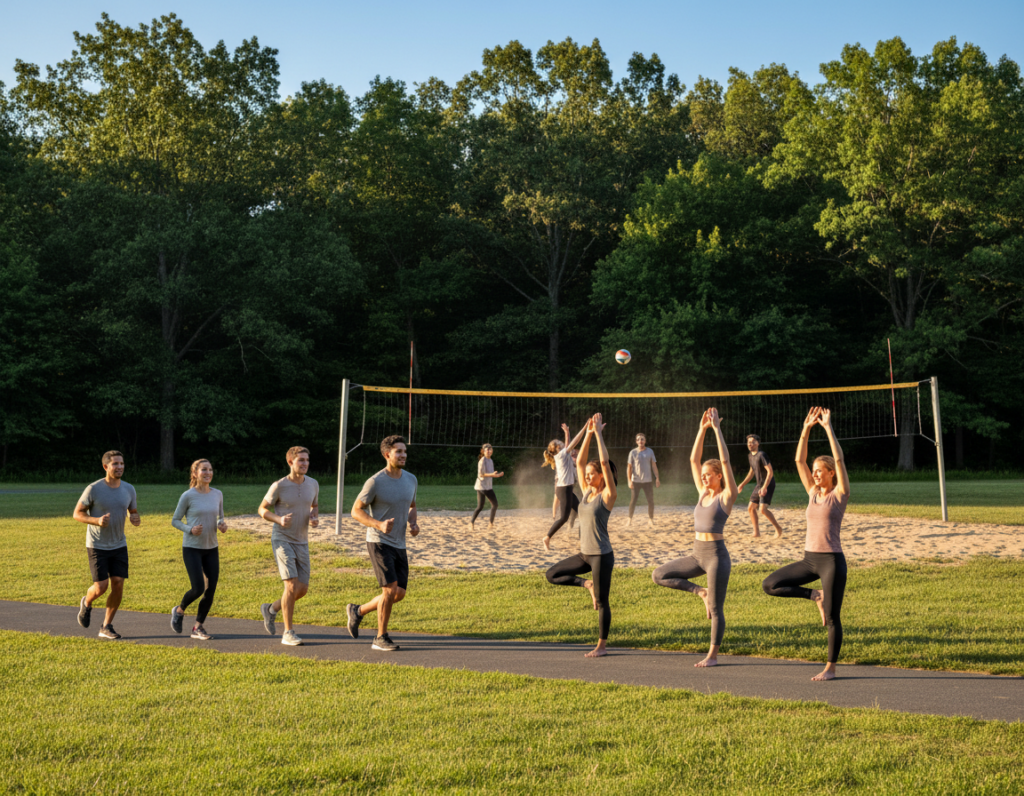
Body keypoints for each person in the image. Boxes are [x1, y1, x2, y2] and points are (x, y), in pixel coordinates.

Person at [762, 407, 850, 682]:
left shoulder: (839, 494)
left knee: (833, 618)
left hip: (831, 562)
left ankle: (830, 668)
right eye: (813, 471)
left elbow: (839, 458)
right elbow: (799, 460)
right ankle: (815, 596)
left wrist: (827, 427)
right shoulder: (812, 492)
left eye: (819, 471)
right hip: (809, 560)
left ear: (831, 474)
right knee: (770, 585)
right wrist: (806, 429)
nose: (814, 474)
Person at [652, 408, 737, 667]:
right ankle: (699, 591)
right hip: (696, 554)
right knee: (659, 575)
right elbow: (693, 460)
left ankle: (712, 655)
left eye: (708, 475)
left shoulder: (726, 496)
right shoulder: (702, 492)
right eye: (702, 476)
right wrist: (701, 429)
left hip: (715, 557)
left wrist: (717, 431)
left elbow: (725, 462)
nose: (703, 477)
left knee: (716, 608)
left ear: (719, 476)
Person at [544, 414, 617, 658]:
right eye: (585, 475)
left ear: (601, 477)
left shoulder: (607, 496)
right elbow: (580, 462)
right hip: (584, 554)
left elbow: (605, 464)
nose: (586, 477)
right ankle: (586, 584)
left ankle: (601, 646)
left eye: (591, 474)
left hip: (601, 555)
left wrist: (598, 435)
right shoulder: (585, 493)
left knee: (602, 601)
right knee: (552, 574)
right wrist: (587, 432)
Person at [347, 435, 419, 652]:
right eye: (399, 451)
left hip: (399, 542)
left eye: (405, 451)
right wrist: (378, 525)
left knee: (399, 594)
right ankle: (380, 637)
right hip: (379, 541)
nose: (403, 455)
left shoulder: (411, 479)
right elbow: (355, 511)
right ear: (387, 454)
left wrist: (413, 523)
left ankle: (358, 611)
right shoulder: (375, 481)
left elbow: (412, 505)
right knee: (389, 590)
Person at [73, 450, 141, 640]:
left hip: (119, 543)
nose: (120, 467)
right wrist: (96, 521)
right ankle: (86, 602)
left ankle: (106, 626)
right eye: (115, 464)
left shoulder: (129, 489)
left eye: (122, 463)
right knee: (101, 587)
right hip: (97, 544)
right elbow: (77, 514)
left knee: (118, 584)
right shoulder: (93, 489)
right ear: (106, 467)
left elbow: (132, 511)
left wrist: (134, 517)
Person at [258, 446, 319, 647]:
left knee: (302, 589)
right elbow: (261, 509)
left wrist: (313, 516)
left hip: (302, 540)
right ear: (290, 462)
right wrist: (278, 519)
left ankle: (271, 609)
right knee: (291, 586)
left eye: (307, 460)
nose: (305, 464)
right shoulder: (279, 486)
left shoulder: (313, 484)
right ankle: (288, 632)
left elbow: (314, 506)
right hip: (282, 539)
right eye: (301, 460)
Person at [170, 459, 227, 640]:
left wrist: (221, 524)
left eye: (210, 469)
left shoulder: (218, 494)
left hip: (211, 547)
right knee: (198, 588)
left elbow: (220, 517)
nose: (208, 473)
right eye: (204, 470)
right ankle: (179, 611)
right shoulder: (188, 495)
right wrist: (190, 530)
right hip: (192, 547)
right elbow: (175, 520)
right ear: (195, 473)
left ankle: (197, 628)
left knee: (211, 590)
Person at [542, 423, 587, 550]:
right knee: (563, 518)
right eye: (559, 443)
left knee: (582, 513)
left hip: (566, 490)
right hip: (564, 490)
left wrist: (567, 432)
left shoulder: (563, 454)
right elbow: (575, 441)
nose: (562, 443)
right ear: (557, 448)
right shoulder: (561, 455)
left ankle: (583, 540)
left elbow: (568, 444)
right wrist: (584, 428)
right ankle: (547, 537)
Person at [737, 434, 784, 538]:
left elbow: (770, 472)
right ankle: (756, 532)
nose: (750, 444)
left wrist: (765, 487)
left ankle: (778, 529)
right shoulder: (750, 456)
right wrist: (742, 484)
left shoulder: (762, 455)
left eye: (753, 442)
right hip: (759, 485)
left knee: (762, 509)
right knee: (751, 508)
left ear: (758, 443)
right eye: (749, 442)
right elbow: (751, 472)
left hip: (768, 484)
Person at [627, 433, 661, 527]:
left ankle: (651, 519)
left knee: (650, 501)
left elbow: (654, 465)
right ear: (636, 441)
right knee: (633, 500)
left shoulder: (650, 451)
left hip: (648, 480)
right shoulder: (633, 452)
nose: (640, 441)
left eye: (642, 439)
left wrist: (657, 478)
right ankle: (629, 520)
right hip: (636, 481)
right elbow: (629, 467)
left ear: (645, 441)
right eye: (638, 439)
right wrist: (629, 480)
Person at [471, 444, 504, 527]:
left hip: (487, 487)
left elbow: (490, 474)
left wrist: (497, 475)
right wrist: (492, 474)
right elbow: (481, 474)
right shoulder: (482, 460)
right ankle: (475, 523)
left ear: (492, 451)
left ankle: (487, 523)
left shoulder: (490, 460)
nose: (489, 451)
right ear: (483, 451)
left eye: (490, 449)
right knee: (487, 505)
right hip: (482, 487)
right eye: (486, 450)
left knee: (488, 505)